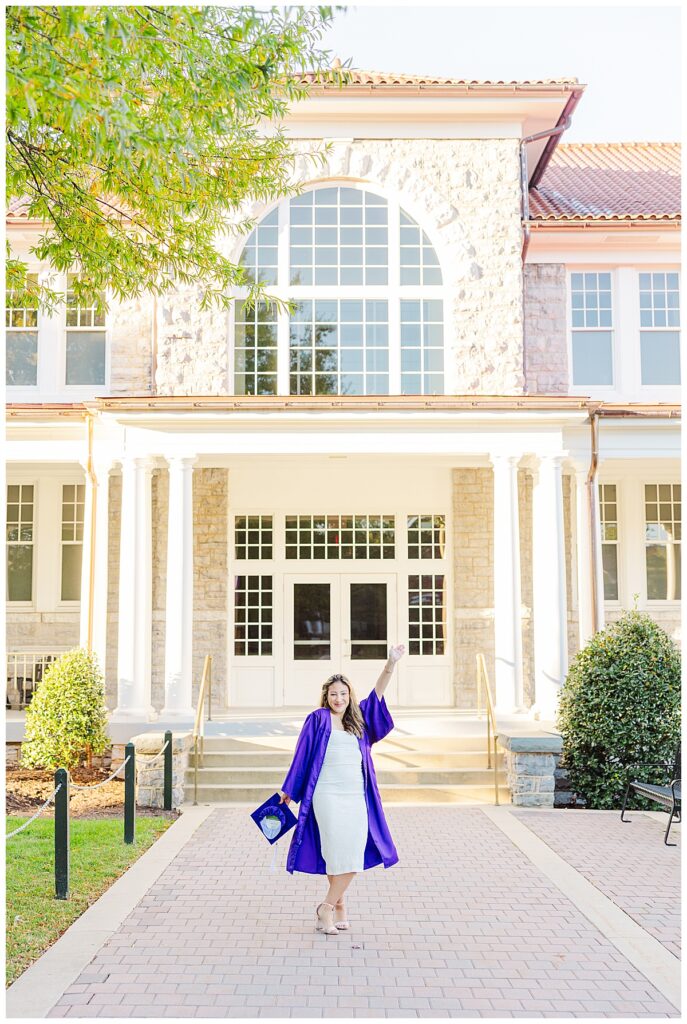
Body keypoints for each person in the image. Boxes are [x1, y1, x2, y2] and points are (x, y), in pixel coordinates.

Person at [279, 644, 405, 935]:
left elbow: (379, 692)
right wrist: (289, 789)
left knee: (353, 851)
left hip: (355, 795)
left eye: (343, 694)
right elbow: (302, 754)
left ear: (350, 696)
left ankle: (329, 907)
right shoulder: (319, 719)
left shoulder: (359, 720)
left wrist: (390, 664)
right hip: (327, 795)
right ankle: (333, 909)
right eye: (334, 694)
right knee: (337, 851)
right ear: (327, 696)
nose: (338, 699)